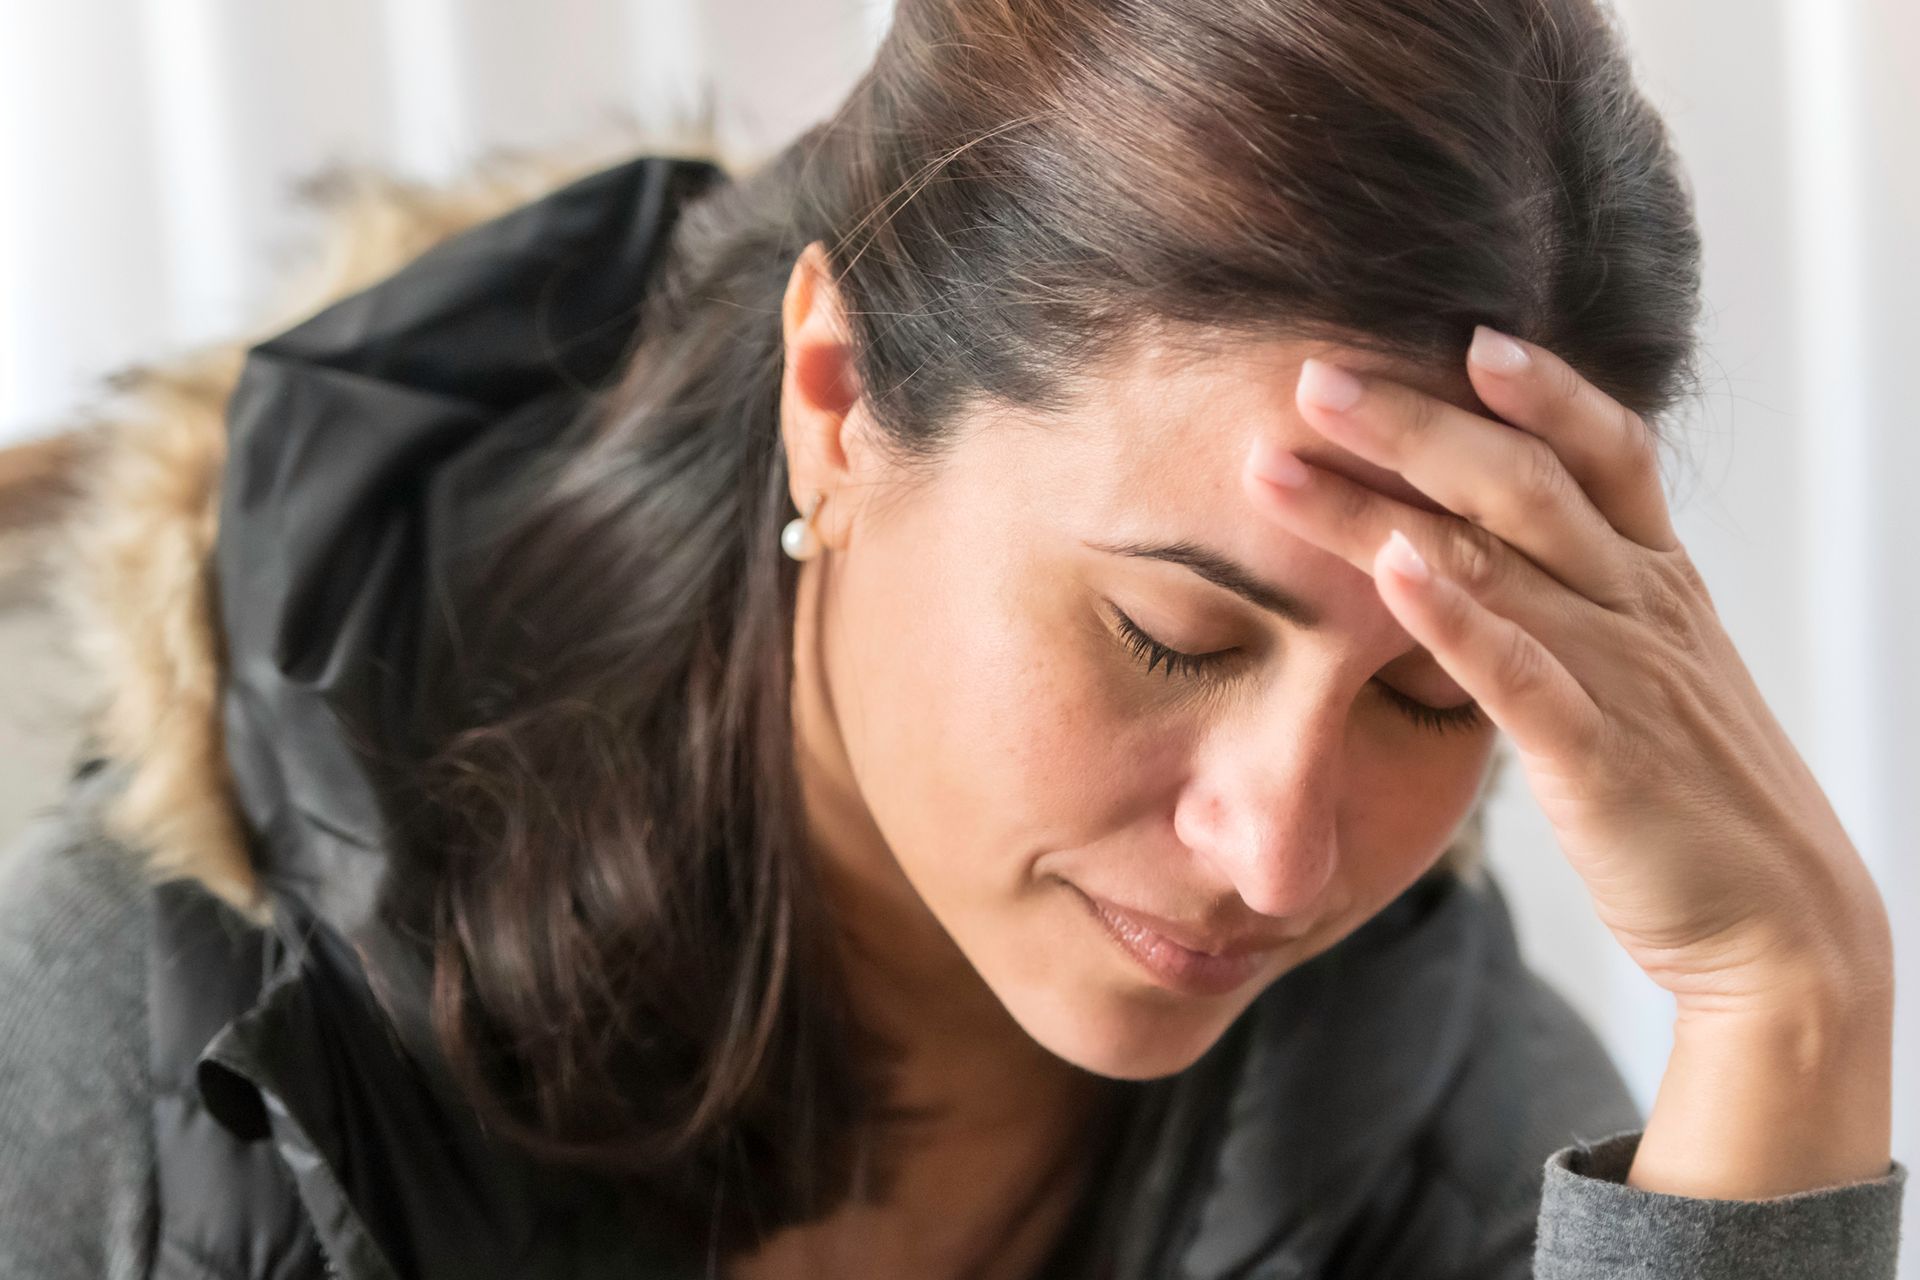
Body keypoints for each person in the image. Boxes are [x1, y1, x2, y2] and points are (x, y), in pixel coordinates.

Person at [0, 1, 1906, 1277]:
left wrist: (1789, 1011)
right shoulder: (126, 1069)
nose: (1284, 854)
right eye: (1172, 635)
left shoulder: (1439, 1111)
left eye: (1430, 693)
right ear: (834, 398)